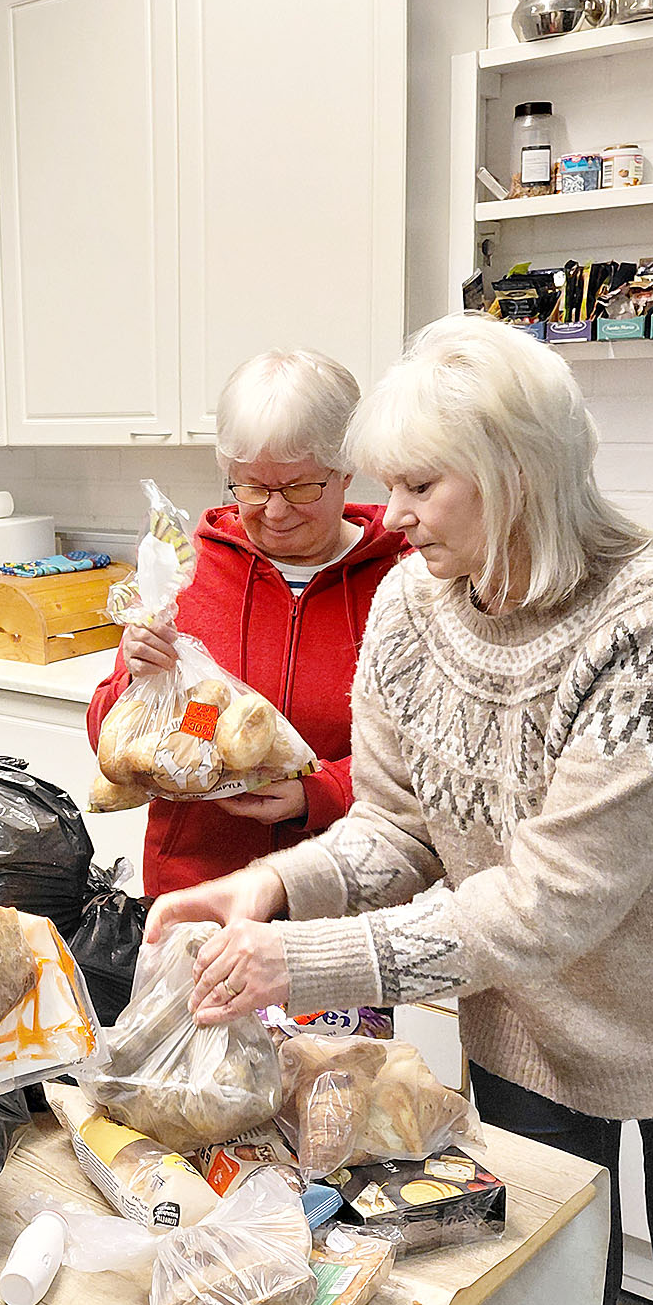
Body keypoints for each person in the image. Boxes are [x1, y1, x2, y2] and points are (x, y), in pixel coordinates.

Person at [147, 313, 653, 1305]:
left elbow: (558, 898)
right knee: (556, 1295)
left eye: (419, 486)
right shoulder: (413, 604)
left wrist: (308, 958)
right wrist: (269, 885)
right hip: (529, 1030)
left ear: (515, 471)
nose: (393, 515)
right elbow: (393, 830)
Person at [86, 349, 406, 907]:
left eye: (301, 487)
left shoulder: (404, 579)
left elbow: (424, 752)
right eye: (252, 487)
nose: (275, 511)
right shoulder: (183, 573)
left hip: (341, 898)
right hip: (195, 893)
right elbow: (110, 742)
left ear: (347, 469)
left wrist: (322, 793)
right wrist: (135, 681)